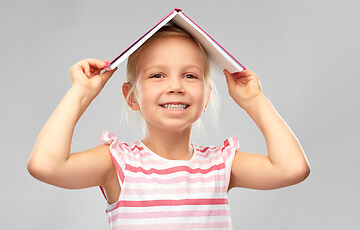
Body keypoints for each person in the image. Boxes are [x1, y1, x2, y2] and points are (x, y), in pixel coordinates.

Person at [27, 26, 310, 229]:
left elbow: (292, 168)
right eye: (157, 75)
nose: (175, 86)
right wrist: (81, 93)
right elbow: (45, 165)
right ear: (131, 97)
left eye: (189, 75)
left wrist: (254, 101)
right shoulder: (118, 164)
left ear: (207, 96)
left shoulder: (220, 165)